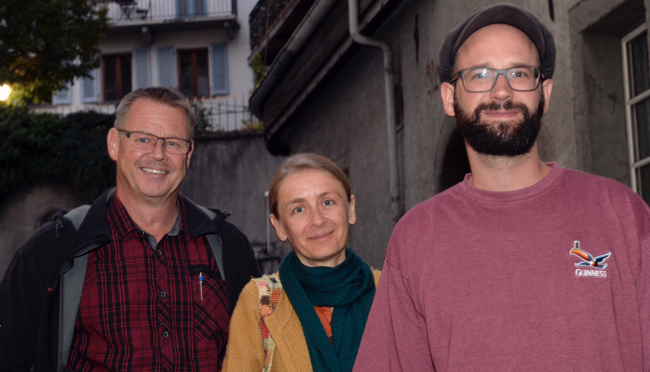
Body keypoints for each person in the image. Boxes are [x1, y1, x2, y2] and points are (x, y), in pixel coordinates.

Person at [353, 3, 650, 371]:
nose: (502, 91)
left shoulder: (622, 212)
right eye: (480, 74)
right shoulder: (415, 239)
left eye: (519, 72)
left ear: (545, 93)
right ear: (450, 97)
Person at [0, 87, 261, 372]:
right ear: (114, 143)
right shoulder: (54, 249)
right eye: (143, 139)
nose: (158, 154)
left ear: (188, 154)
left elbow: (264, 351)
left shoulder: (227, 246)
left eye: (173, 143)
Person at [222, 153, 380, 372]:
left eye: (327, 202)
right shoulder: (261, 303)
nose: (318, 219)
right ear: (279, 226)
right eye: (299, 209)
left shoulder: (389, 290)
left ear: (350, 209)